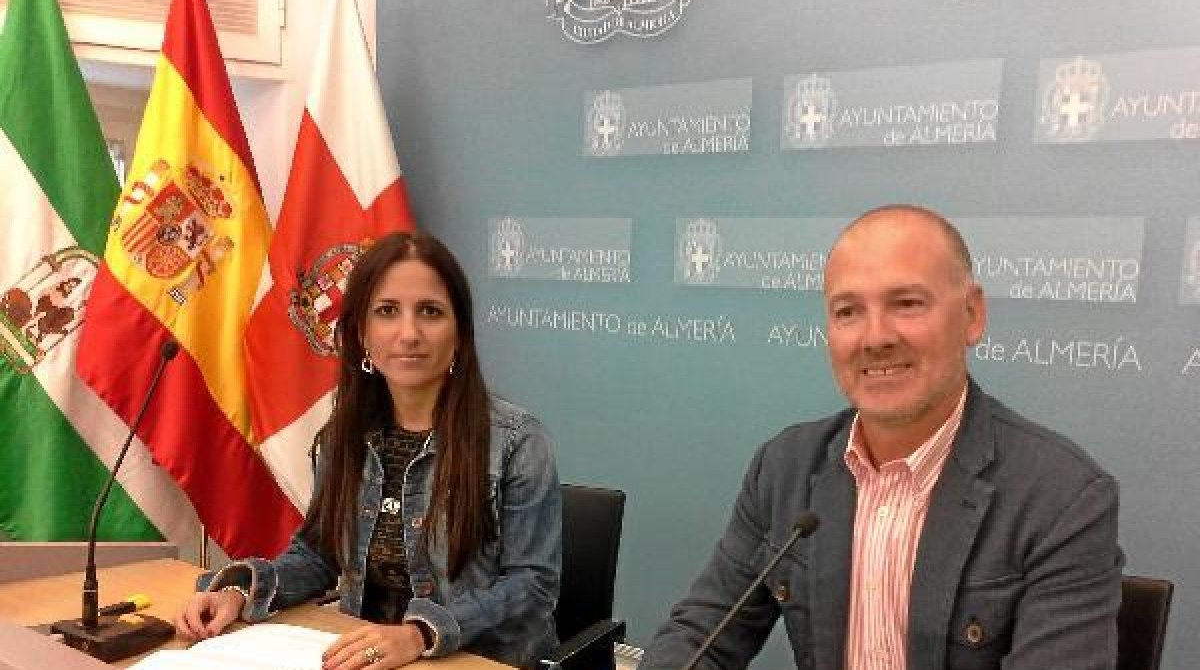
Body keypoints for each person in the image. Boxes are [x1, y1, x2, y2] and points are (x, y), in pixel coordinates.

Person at [641, 205, 1123, 670]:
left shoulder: (1061, 497)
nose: (875, 338)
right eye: (848, 311)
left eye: (906, 303)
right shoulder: (784, 467)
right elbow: (700, 635)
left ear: (972, 315)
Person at [175, 231, 562, 670]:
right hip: (367, 658)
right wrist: (239, 591)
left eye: (430, 312)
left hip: (480, 661)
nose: (409, 333)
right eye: (387, 312)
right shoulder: (345, 437)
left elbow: (532, 587)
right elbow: (318, 556)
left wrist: (419, 634)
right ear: (360, 332)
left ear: (460, 333)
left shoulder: (518, 442)